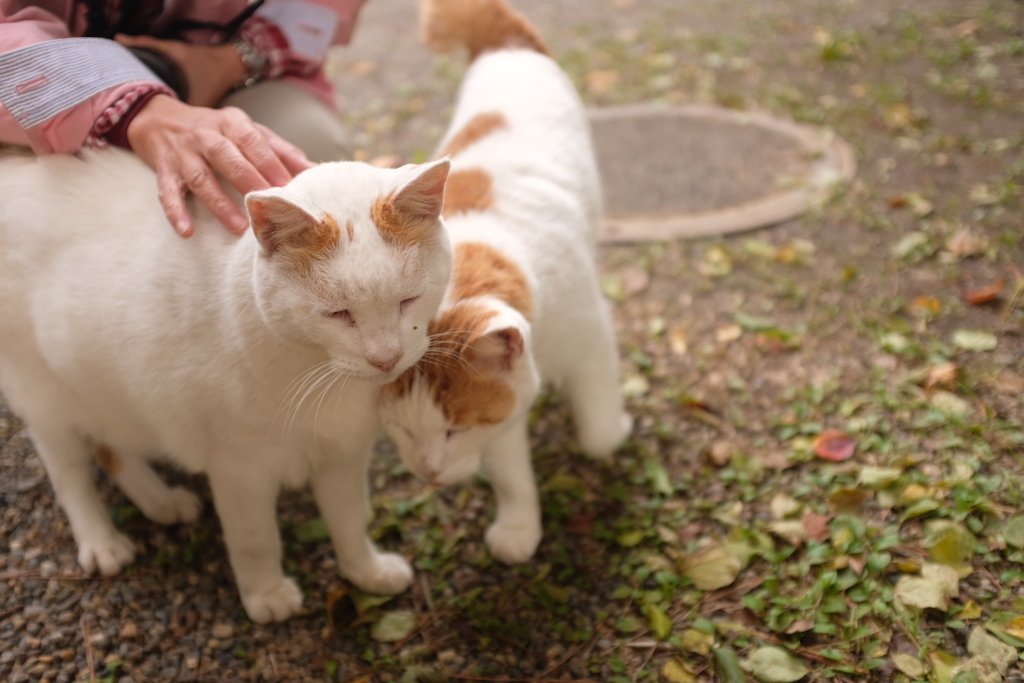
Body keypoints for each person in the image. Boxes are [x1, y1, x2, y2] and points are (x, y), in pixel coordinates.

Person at [0, 0, 369, 237]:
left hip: (233, 71)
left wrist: (230, 61)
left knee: (299, 158)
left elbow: (319, 9)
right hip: (46, 82)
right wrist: (138, 110)